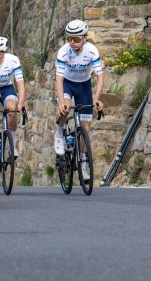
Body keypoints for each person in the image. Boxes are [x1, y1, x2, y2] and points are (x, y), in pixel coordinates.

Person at [54, 19, 104, 180]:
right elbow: (59, 80)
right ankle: (59, 133)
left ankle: (82, 164)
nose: (71, 42)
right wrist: (61, 102)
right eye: (69, 38)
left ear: (84, 38)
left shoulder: (91, 51)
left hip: (83, 86)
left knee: (86, 128)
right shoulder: (63, 52)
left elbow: (100, 77)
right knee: (65, 109)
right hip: (67, 84)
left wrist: (97, 99)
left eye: (75, 39)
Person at [0, 36, 24, 180]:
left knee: (12, 109)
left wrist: (20, 103)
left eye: (1, 52)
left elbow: (20, 84)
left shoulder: (12, 60)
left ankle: (11, 146)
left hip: (7, 89)